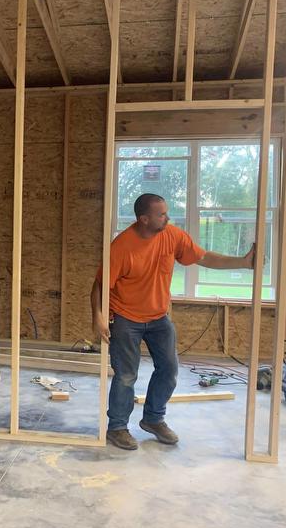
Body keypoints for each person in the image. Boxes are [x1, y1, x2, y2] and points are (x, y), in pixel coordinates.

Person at [90, 193, 255, 450]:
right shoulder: (122, 246)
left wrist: (243, 263)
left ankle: (153, 419)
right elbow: (100, 285)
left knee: (169, 370)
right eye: (162, 214)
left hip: (158, 317)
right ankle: (118, 428)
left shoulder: (173, 236)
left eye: (166, 212)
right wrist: (98, 317)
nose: (168, 217)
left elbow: (203, 257)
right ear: (144, 219)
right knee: (126, 375)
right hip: (126, 318)